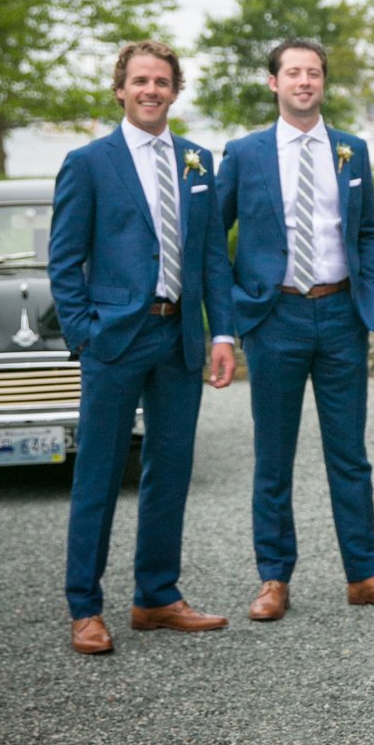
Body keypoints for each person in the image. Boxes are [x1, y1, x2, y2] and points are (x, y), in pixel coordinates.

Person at [217, 39, 374, 621]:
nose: (304, 82)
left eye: (313, 73)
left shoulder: (350, 151)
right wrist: (232, 313)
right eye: (293, 73)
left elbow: (370, 232)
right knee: (273, 455)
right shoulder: (245, 153)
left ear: (323, 83)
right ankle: (273, 578)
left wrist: (369, 297)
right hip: (273, 317)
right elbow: (214, 236)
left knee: (349, 454)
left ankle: (366, 574)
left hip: (338, 318)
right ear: (274, 83)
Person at [50, 40, 236, 655]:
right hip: (115, 339)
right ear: (120, 89)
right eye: (140, 81)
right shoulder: (89, 162)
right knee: (100, 473)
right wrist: (86, 333)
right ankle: (85, 607)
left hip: (179, 336)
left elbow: (212, 257)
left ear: (175, 91)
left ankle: (156, 597)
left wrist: (223, 332)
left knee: (170, 469)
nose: (151, 90)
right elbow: (65, 259)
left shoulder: (197, 161)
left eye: (162, 81)